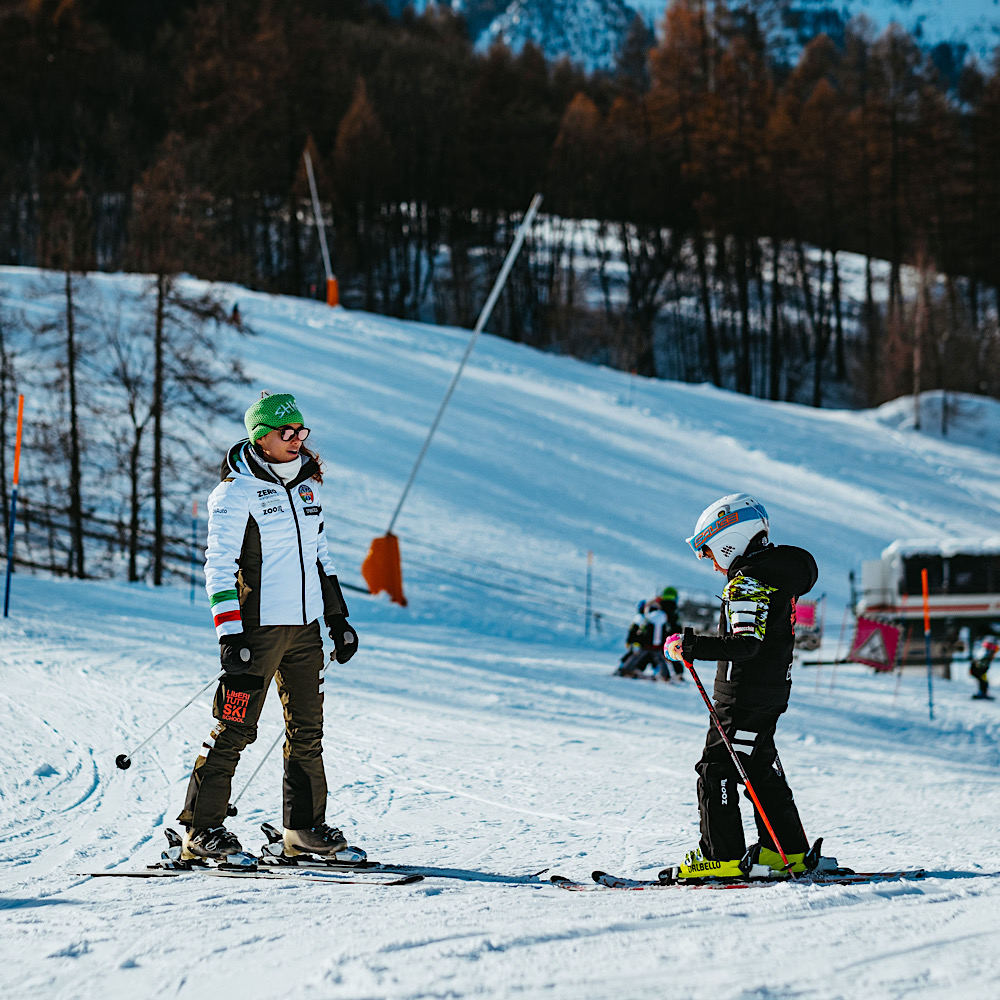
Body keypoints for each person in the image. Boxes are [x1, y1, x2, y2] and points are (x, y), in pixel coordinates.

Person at [176, 391, 359, 861]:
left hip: (304, 629)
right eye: (287, 432)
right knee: (235, 727)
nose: (297, 440)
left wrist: (337, 619)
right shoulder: (235, 492)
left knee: (308, 730)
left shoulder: (308, 487)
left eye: (302, 432)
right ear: (261, 437)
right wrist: (229, 633)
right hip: (255, 629)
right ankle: (202, 831)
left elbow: (321, 556)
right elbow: (218, 564)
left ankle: (304, 828)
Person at [662, 493, 818, 880]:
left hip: (744, 696)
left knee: (716, 768)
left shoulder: (747, 581)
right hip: (766, 691)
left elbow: (747, 644)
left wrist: (690, 646)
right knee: (759, 767)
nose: (713, 564)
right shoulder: (772, 575)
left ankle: (723, 856)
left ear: (728, 540)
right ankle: (785, 852)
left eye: (710, 553)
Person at [616, 593, 681, 680]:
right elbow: (666, 631)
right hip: (658, 645)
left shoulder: (649, 618)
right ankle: (666, 676)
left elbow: (642, 631)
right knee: (661, 660)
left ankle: (626, 670)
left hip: (646, 643)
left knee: (636, 656)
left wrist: (637, 639)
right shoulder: (664, 618)